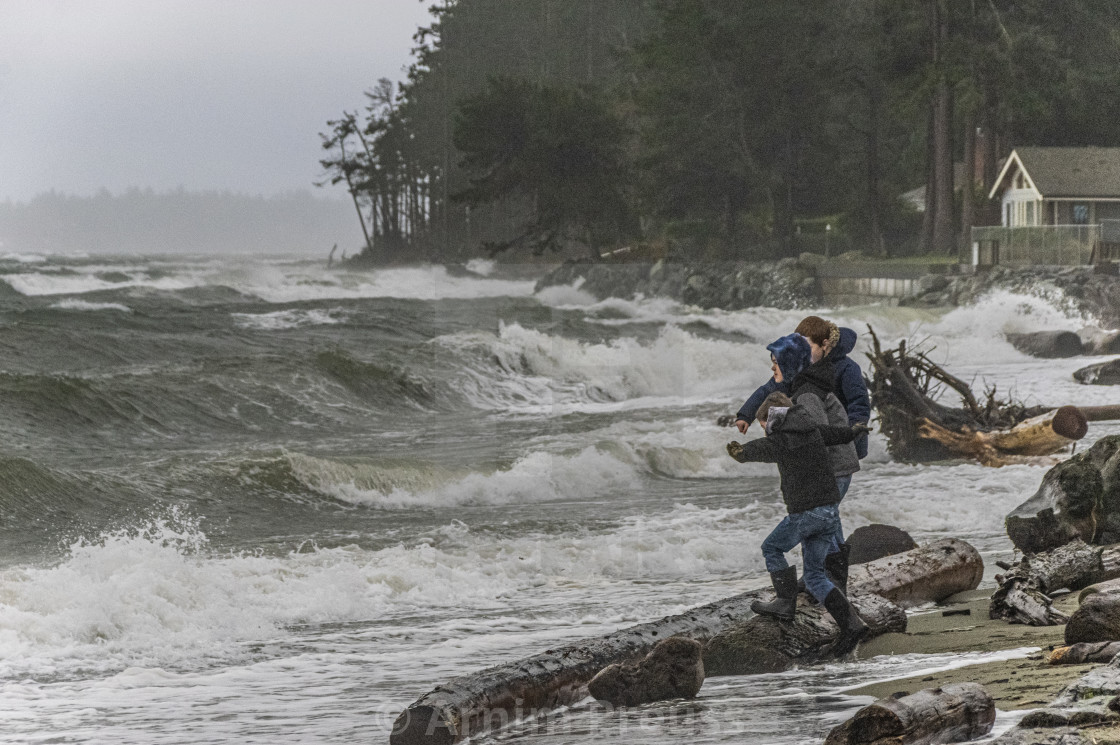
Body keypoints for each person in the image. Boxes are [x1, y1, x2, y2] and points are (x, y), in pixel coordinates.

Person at [726, 389, 871, 655]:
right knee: (815, 575)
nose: (765, 431)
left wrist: (741, 453)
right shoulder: (810, 429)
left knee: (772, 548)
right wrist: (853, 431)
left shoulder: (784, 439)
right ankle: (851, 624)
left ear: (774, 419)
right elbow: (833, 434)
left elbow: (764, 449)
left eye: (764, 425)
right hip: (829, 511)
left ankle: (784, 602)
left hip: (807, 513)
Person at [733, 318, 870, 594]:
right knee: (829, 518)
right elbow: (769, 389)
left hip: (839, 453)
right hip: (826, 454)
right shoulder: (803, 371)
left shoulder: (841, 369)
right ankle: (825, 580)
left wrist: (853, 431)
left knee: (823, 517)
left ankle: (825, 581)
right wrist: (747, 413)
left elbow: (856, 404)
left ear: (824, 345)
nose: (802, 349)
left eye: (806, 344)